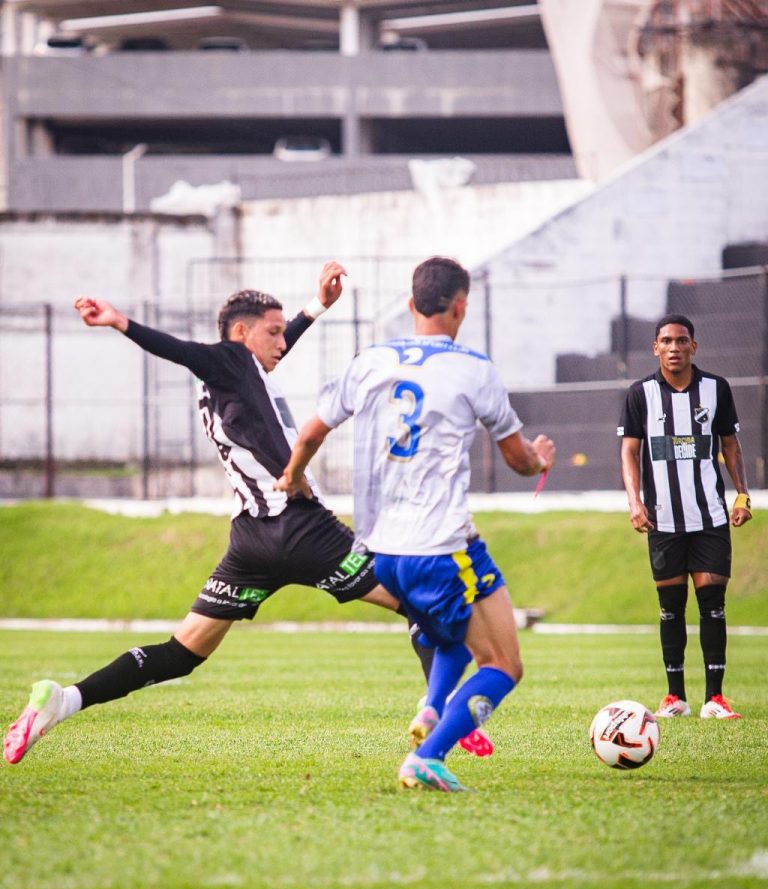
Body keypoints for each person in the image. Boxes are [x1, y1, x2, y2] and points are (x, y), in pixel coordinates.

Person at [4, 261, 486, 765]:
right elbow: (181, 350)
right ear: (240, 334)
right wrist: (120, 322)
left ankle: (64, 700)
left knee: (182, 653)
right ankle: (443, 710)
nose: (282, 342)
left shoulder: (237, 376)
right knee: (420, 603)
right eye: (272, 333)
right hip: (301, 529)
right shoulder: (230, 361)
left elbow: (266, 345)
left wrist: (315, 307)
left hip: (251, 543)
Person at [276, 256, 556, 791]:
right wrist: (540, 458)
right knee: (503, 664)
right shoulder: (473, 368)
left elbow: (311, 434)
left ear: (411, 304)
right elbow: (519, 459)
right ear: (460, 307)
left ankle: (432, 706)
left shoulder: (370, 361)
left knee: (450, 635)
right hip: (442, 546)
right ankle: (428, 756)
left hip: (382, 552)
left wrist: (292, 476)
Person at [618, 313, 752, 720]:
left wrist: (742, 495)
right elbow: (630, 452)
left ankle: (715, 698)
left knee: (712, 604)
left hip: (710, 517)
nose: (674, 348)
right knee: (671, 607)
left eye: (681, 341)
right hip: (663, 520)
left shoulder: (716, 389)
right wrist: (635, 502)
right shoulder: (640, 394)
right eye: (666, 341)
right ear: (655, 348)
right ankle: (674, 697)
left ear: (693, 346)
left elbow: (731, 445)